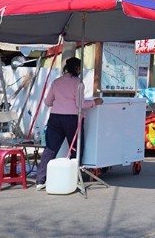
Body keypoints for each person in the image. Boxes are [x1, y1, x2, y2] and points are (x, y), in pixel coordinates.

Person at [34, 57, 103, 189]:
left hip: (55, 118)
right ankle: (73, 178)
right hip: (72, 119)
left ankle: (40, 179)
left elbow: (48, 102)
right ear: (77, 69)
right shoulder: (78, 83)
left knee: (50, 148)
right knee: (75, 148)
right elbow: (80, 105)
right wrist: (95, 102)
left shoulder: (56, 82)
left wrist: (60, 101)